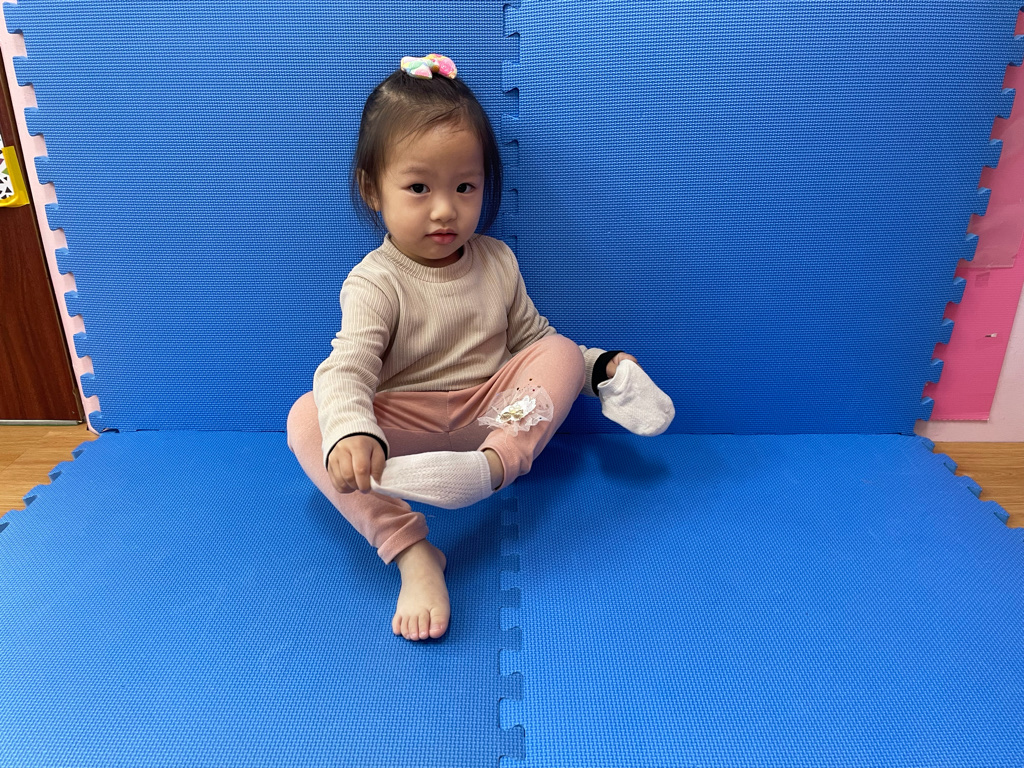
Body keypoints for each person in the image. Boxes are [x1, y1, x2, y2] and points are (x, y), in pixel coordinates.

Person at [287, 54, 674, 642]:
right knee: (307, 418)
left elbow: (534, 345)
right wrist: (351, 432)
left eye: (464, 187)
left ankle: (490, 469)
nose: (446, 209)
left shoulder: (497, 262)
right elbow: (348, 368)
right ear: (372, 190)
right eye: (419, 188)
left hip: (495, 418)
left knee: (561, 350)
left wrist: (598, 369)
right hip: (408, 431)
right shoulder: (375, 282)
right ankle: (411, 551)